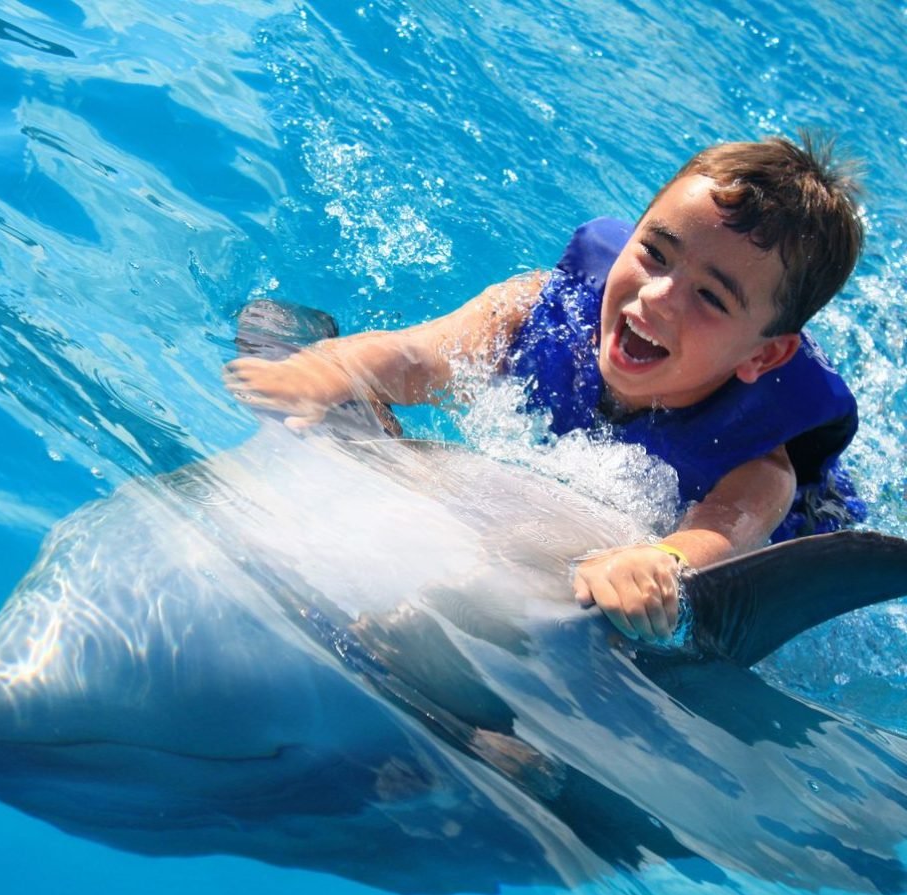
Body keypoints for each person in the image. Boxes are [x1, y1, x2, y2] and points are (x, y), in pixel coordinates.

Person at [224, 135, 865, 643]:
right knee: (347, 407)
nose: (657, 297)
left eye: (710, 296)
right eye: (656, 253)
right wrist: (333, 367)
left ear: (765, 354)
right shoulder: (541, 310)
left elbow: (724, 531)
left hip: (786, 530)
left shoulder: (759, 462)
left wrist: (660, 559)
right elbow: (420, 355)